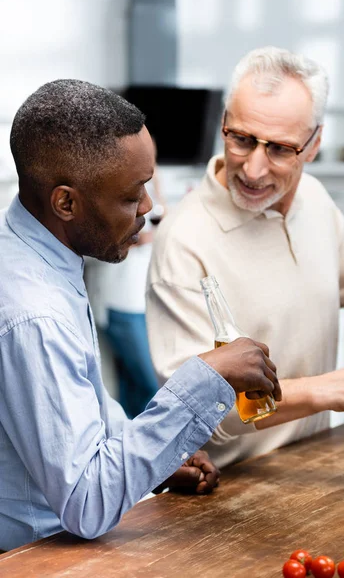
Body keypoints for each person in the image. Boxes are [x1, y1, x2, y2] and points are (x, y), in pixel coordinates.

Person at [0, 79, 281, 551]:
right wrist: (205, 379)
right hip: (33, 558)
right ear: (66, 202)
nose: (150, 209)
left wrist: (153, 455)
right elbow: (87, 503)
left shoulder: (39, 255)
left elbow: (79, 409)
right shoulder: (35, 314)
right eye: (133, 195)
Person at [146, 46, 344, 470]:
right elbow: (197, 408)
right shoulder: (184, 241)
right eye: (241, 139)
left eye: (281, 149)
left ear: (314, 143)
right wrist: (333, 387)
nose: (254, 170)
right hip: (234, 489)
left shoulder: (315, 199)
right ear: (224, 124)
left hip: (318, 461)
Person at [85, 153, 165, 419]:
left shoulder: (149, 191)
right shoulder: (107, 190)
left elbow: (161, 218)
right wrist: (144, 237)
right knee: (150, 384)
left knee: (134, 384)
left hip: (143, 299)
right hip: (119, 302)